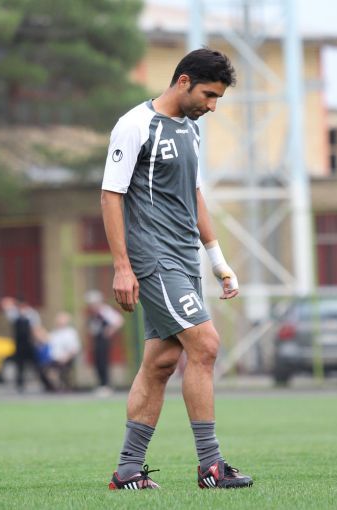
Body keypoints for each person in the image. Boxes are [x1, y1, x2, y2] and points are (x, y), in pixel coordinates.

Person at [101, 48, 252, 490]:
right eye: (209, 95)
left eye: (218, 98)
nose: (213, 106)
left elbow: (195, 194)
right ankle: (211, 466)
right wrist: (122, 267)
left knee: (162, 361)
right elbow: (111, 195)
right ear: (183, 81)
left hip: (184, 259)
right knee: (205, 344)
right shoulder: (135, 125)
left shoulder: (190, 129)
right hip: (153, 257)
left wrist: (218, 261)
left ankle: (128, 470)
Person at [0, 296, 55, 393]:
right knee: (20, 366)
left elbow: (36, 328)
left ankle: (46, 384)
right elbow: (7, 308)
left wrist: (40, 340)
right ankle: (20, 386)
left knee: (36, 365)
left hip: (29, 344)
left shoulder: (31, 314)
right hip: (19, 345)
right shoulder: (15, 314)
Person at [85, 290, 123, 396]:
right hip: (97, 340)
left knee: (103, 362)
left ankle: (106, 385)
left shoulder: (105, 311)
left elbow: (119, 321)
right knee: (97, 362)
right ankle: (101, 384)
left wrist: (109, 331)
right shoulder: (93, 314)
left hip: (104, 341)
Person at [44, 311, 81, 391]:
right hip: (54, 359)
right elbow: (49, 346)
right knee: (46, 369)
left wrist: (66, 357)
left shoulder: (70, 333)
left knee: (59, 371)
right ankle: (56, 387)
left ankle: (64, 386)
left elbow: (74, 348)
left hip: (66, 359)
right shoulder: (54, 333)